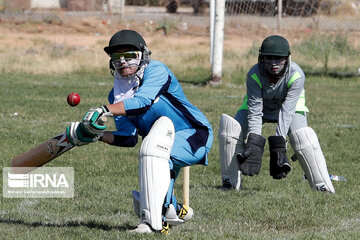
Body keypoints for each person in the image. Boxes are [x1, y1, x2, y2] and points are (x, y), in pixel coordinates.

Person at [66, 30, 213, 234]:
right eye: (117, 57)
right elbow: (128, 137)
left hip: (194, 134)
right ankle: (170, 211)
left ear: (143, 55)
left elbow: (142, 102)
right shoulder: (117, 93)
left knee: (153, 153)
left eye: (130, 56)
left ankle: (155, 221)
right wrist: (97, 135)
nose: (123, 62)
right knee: (153, 152)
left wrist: (104, 109)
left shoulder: (157, 70)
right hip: (161, 142)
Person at [218, 35, 335, 193]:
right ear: (262, 58)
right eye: (269, 58)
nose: (273, 63)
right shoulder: (254, 74)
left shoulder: (297, 75)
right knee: (230, 130)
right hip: (261, 107)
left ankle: (321, 185)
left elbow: (287, 111)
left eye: (278, 59)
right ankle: (230, 183)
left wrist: (280, 145)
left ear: (287, 59)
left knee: (303, 136)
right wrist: (254, 144)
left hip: (289, 108)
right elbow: (255, 110)